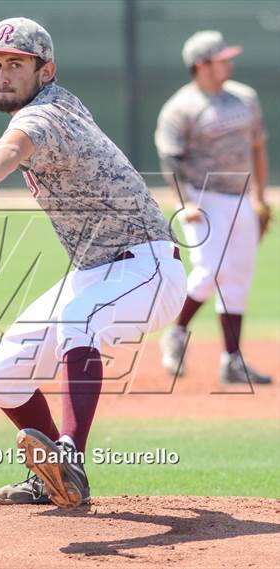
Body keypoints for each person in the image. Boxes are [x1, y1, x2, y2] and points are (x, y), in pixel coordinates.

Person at [0, 17, 187, 509]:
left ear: (46, 70)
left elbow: (10, 149)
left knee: (81, 318)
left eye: (17, 64)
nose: (3, 74)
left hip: (148, 268)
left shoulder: (47, 116)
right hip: (97, 271)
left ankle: (70, 453)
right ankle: (54, 479)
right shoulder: (51, 106)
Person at [155, 30, 272, 385]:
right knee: (209, 272)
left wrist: (260, 197)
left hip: (241, 198)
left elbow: (257, 147)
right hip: (203, 198)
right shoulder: (181, 107)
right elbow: (170, 159)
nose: (229, 64)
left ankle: (232, 360)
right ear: (201, 65)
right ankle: (176, 334)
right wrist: (184, 202)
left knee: (237, 278)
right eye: (221, 59)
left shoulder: (244, 98)